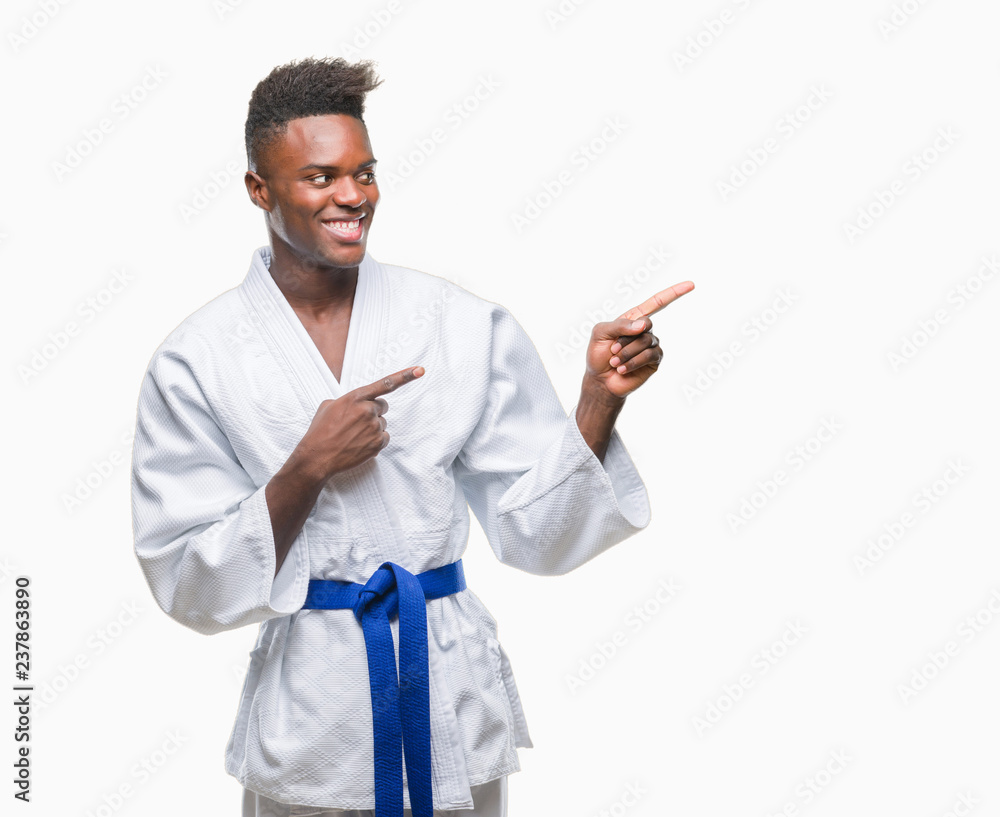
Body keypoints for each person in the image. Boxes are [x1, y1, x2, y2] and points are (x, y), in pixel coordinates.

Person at [129, 57, 693, 817]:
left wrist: (597, 400)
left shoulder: (455, 322)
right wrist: (308, 465)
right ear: (259, 189)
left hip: (446, 692)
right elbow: (189, 583)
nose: (353, 196)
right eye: (320, 177)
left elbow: (539, 535)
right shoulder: (198, 358)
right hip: (311, 717)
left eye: (363, 173)